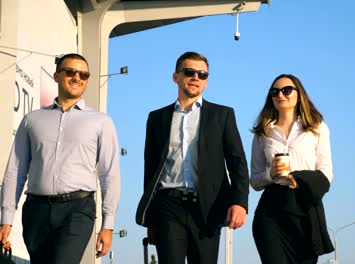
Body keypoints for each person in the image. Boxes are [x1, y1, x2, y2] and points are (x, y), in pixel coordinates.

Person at [0, 53, 121, 263]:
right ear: (56, 76)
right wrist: (6, 218)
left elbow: (109, 174)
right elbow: (15, 171)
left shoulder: (101, 122)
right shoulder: (32, 120)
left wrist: (108, 224)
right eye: (71, 72)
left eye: (84, 74)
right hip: (36, 210)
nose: (77, 77)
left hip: (77, 209)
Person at [135, 51, 249, 264]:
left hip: (208, 208)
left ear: (206, 82)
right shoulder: (157, 118)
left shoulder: (222, 115)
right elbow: (150, 169)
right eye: (189, 72)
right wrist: (151, 219)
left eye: (202, 74)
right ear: (176, 77)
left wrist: (239, 202)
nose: (196, 77)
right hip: (168, 205)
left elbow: (238, 162)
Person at [250, 74, 334, 264]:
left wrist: (300, 180)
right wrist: (270, 174)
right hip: (271, 211)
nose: (281, 95)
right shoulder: (263, 132)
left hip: (305, 207)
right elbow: (254, 180)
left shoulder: (317, 127)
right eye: (275, 91)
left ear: (299, 94)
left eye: (287, 90)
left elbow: (326, 172)